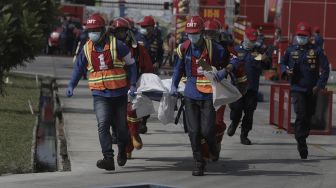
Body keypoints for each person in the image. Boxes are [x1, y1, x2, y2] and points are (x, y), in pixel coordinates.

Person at [66, 13, 137, 171]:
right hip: (100, 95)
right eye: (90, 30)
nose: (93, 33)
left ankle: (122, 151)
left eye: (95, 30)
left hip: (119, 94)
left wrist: (133, 84)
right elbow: (78, 68)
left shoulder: (118, 45)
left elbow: (131, 65)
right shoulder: (86, 48)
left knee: (122, 129)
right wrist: (72, 84)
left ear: (103, 30)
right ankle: (108, 158)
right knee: (103, 124)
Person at [170, 16, 228, 176]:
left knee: (208, 130)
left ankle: (213, 149)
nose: (192, 36)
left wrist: (224, 71)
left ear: (202, 32)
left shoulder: (215, 48)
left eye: (195, 33)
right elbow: (178, 69)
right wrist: (174, 85)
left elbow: (232, 61)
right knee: (194, 131)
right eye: (189, 33)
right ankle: (199, 162)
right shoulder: (183, 48)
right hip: (190, 95)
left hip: (208, 95)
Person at [280, 22, 329, 159]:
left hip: (312, 89)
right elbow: (282, 63)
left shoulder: (317, 50)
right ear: (296, 35)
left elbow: (325, 69)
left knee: (308, 116)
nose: (301, 38)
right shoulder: (290, 50)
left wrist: (319, 85)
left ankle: (302, 135)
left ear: (309, 37)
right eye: (299, 35)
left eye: (304, 36)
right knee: (301, 114)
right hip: (297, 88)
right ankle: (301, 141)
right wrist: (286, 71)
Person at [112, 17, 154, 159]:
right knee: (118, 121)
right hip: (113, 87)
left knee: (131, 113)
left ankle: (133, 138)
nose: (120, 34)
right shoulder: (108, 48)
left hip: (132, 86)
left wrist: (146, 84)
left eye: (123, 31)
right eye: (117, 31)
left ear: (128, 32)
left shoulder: (138, 49)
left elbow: (148, 67)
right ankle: (125, 148)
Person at [223, 27, 269, 145]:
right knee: (236, 111)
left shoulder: (258, 52)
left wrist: (265, 59)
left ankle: (244, 135)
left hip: (252, 89)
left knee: (249, 113)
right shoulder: (236, 50)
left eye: (254, 40)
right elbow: (228, 65)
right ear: (244, 37)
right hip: (237, 88)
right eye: (250, 39)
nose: (252, 42)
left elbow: (267, 65)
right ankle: (234, 123)